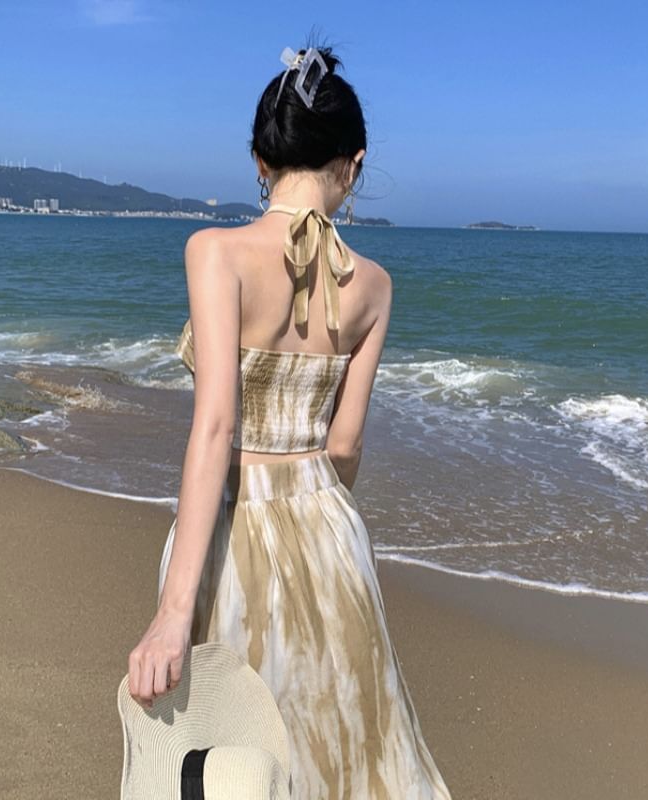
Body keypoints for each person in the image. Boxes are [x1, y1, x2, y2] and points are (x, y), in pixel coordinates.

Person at [126, 43, 453, 799]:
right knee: (341, 753)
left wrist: (173, 613)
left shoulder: (216, 252)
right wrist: (315, 526)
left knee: (234, 751)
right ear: (354, 164)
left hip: (234, 529)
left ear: (259, 161)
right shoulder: (374, 285)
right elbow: (345, 444)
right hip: (329, 533)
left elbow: (216, 427)